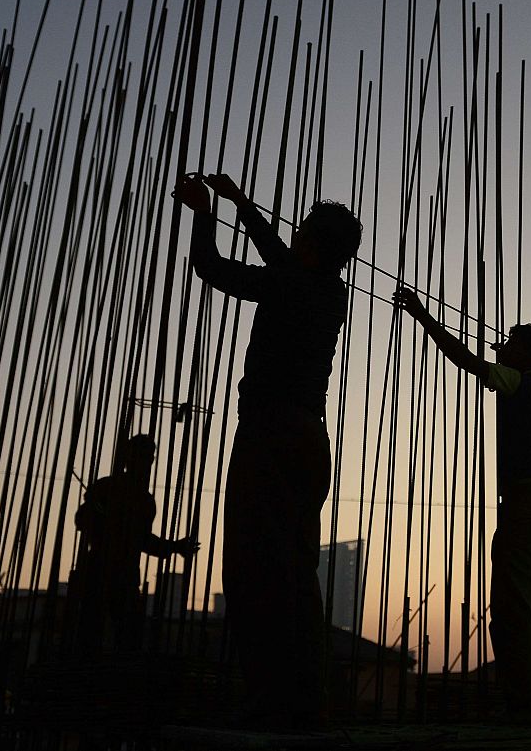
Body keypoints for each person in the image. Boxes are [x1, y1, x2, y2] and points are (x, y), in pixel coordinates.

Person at [174, 173, 361, 729]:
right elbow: (283, 257)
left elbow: (213, 270)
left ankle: (273, 699)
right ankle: (305, 697)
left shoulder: (295, 286)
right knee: (294, 569)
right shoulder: (329, 291)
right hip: (308, 439)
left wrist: (206, 213)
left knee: (257, 566)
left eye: (301, 232)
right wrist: (240, 204)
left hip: (271, 437)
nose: (294, 237)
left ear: (311, 244)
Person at [393, 289, 531, 725]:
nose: (503, 344)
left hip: (524, 503)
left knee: (512, 610)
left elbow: (466, 360)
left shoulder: (517, 380)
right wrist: (506, 355)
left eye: (511, 340)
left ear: (525, 352)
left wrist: (422, 315)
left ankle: (525, 708)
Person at [66, 433, 199, 654]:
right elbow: (81, 519)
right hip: (97, 569)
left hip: (126, 575)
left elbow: (142, 540)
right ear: (129, 458)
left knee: (128, 637)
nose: (147, 462)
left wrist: (174, 547)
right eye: (142, 456)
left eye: (150, 457)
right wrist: (101, 513)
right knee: (89, 635)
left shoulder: (145, 501)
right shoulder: (106, 488)